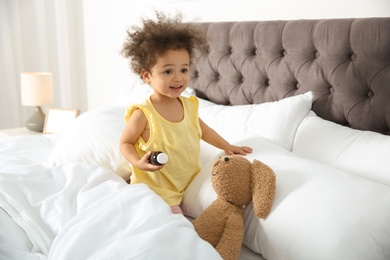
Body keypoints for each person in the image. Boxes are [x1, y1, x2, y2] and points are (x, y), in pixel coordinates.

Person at [119, 12, 252, 214]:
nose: (178, 78)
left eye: (184, 70)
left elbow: (204, 131)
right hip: (158, 189)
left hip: (188, 184)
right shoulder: (144, 114)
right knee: (179, 228)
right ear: (147, 76)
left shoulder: (189, 105)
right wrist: (137, 162)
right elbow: (125, 143)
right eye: (168, 71)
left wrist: (227, 146)